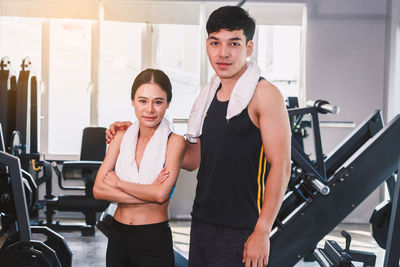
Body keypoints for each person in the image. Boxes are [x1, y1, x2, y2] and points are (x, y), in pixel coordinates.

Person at [106, 6, 291, 267]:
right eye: (216, 43)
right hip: (203, 221)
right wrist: (139, 132)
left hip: (242, 226)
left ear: (249, 48)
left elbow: (282, 166)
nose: (223, 53)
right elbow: (192, 159)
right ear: (207, 45)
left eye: (234, 43)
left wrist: (262, 231)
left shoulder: (264, 94)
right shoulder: (209, 96)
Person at [94, 68, 185, 267]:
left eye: (158, 102)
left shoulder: (175, 142)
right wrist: (149, 194)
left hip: (153, 238)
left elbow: (161, 195)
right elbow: (98, 190)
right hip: (118, 236)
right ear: (133, 101)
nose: (149, 109)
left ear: (168, 103)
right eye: (143, 101)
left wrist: (118, 184)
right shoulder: (120, 137)